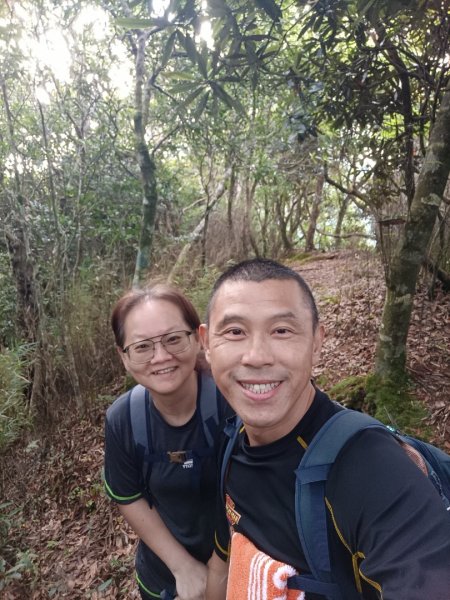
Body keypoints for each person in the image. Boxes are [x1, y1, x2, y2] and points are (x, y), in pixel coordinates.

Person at [198, 258, 450, 600]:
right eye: (235, 332)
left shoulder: (371, 468)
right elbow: (224, 555)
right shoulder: (231, 445)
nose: (256, 356)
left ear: (317, 342)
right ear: (207, 344)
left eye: (282, 330)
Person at [104, 283, 229, 600]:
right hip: (163, 578)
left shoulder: (231, 398)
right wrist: (182, 567)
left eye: (174, 339)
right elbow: (127, 495)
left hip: (238, 569)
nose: (161, 357)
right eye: (143, 347)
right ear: (124, 357)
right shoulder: (123, 420)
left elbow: (258, 489)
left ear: (199, 339)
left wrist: (219, 569)